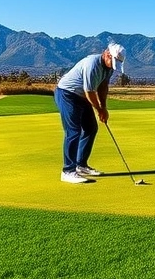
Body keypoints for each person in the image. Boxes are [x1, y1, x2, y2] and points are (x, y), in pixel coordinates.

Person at [54, 43, 126, 183]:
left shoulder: (108, 67)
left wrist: (104, 108)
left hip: (81, 96)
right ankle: (68, 171)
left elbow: (103, 87)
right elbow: (89, 92)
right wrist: (99, 110)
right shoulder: (92, 64)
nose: (114, 65)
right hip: (67, 94)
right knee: (73, 131)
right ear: (107, 54)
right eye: (113, 61)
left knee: (90, 128)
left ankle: (81, 165)